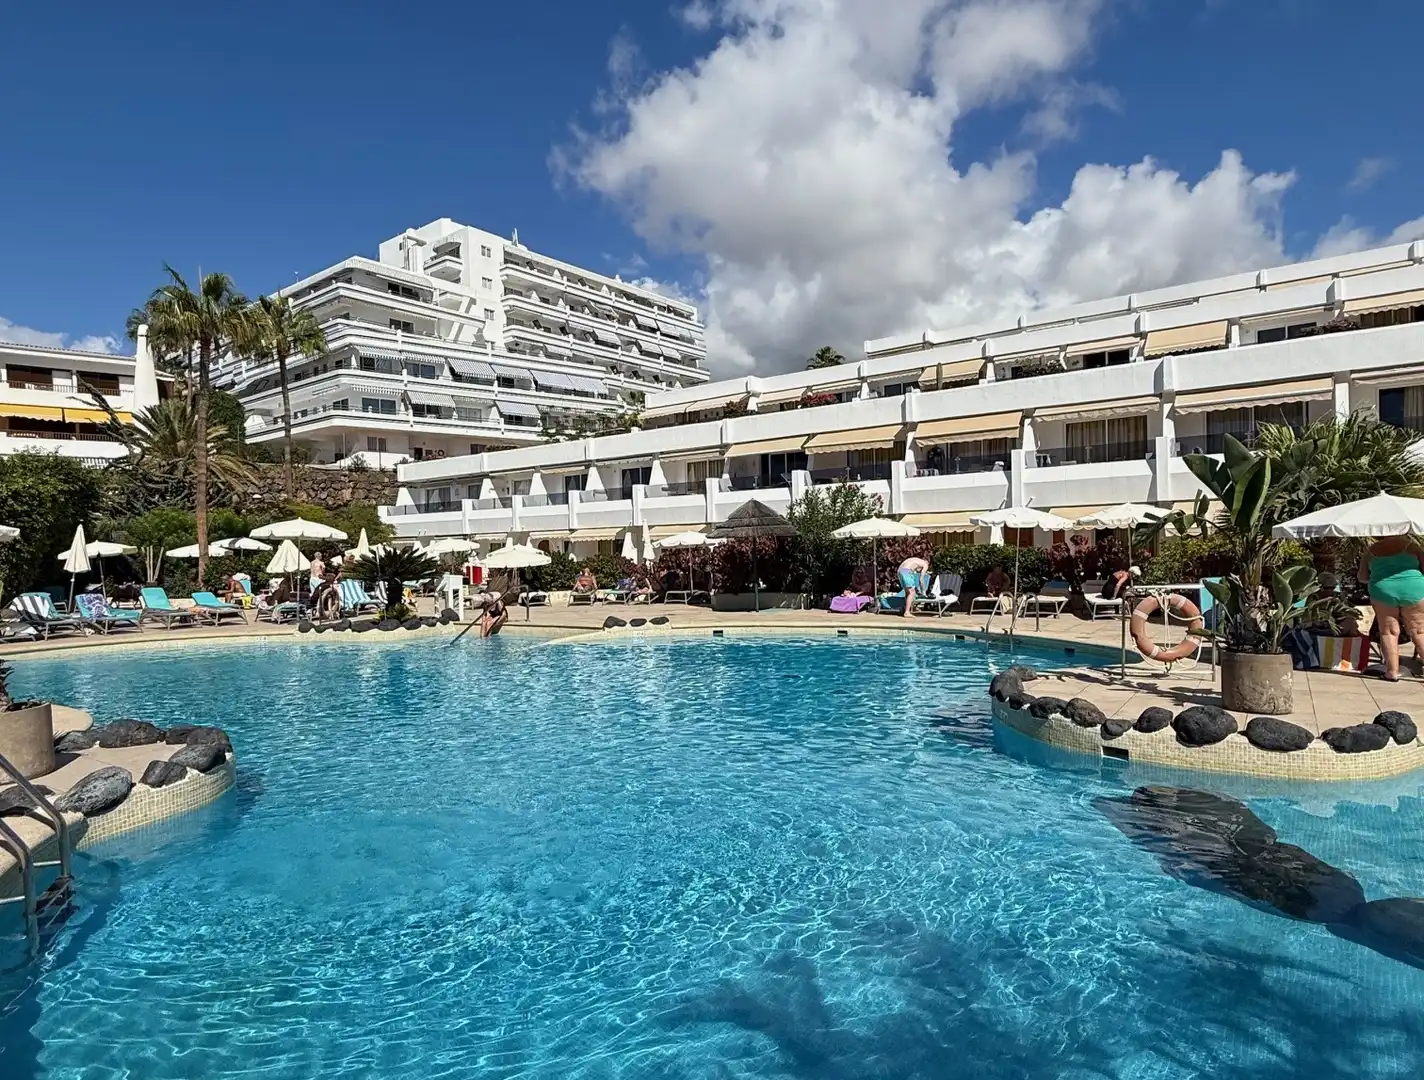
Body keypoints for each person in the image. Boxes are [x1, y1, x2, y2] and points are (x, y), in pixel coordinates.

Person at [1357, 537, 1424, 681]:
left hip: (1382, 590)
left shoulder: (1371, 551)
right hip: (1414, 589)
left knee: (1388, 631)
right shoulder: (1412, 546)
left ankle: (1392, 672)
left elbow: (1362, 577)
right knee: (1419, 630)